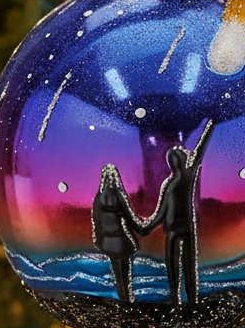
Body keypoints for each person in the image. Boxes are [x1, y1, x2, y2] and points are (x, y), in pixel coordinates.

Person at [142, 120, 214, 306]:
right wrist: (146, 226)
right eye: (181, 156)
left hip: (180, 229)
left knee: (185, 266)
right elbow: (161, 213)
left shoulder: (184, 177)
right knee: (177, 266)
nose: (184, 157)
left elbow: (199, 151)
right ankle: (179, 300)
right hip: (176, 229)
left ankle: (189, 300)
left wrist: (209, 129)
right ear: (175, 162)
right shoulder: (171, 183)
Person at [90, 163, 143, 304]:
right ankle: (128, 297)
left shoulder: (98, 198)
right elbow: (129, 217)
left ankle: (123, 297)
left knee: (117, 273)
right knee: (125, 272)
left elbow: (96, 221)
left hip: (108, 241)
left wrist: (99, 241)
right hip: (121, 240)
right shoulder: (118, 196)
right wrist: (141, 230)